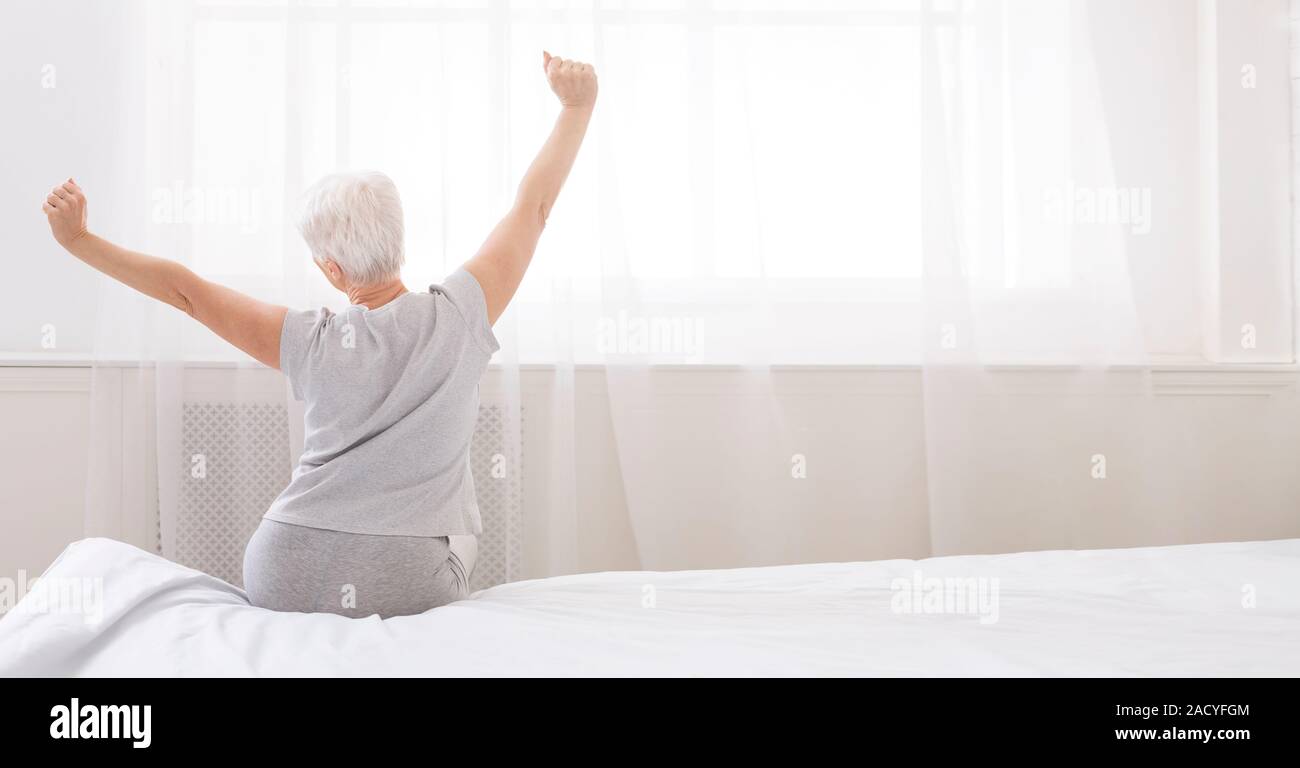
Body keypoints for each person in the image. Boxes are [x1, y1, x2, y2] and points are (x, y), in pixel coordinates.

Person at [41, 51, 597, 618]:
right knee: (464, 534)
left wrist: (79, 241)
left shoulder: (307, 340)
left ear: (331, 270)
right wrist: (576, 107)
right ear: (400, 243)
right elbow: (533, 209)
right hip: (405, 577)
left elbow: (185, 290)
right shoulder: (460, 315)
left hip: (283, 566)